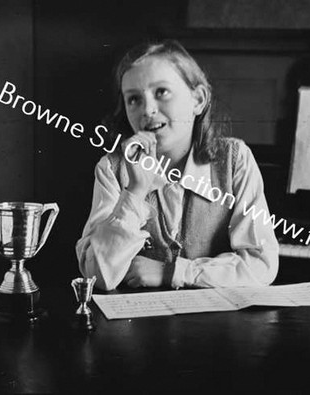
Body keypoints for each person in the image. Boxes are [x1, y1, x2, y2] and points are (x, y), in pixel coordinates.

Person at [76, 40, 278, 291]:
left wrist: (171, 272)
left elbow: (261, 264)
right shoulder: (111, 169)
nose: (147, 110)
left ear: (198, 100)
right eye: (134, 99)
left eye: (161, 92)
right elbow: (97, 276)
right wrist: (135, 193)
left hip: (216, 323)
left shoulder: (235, 160)